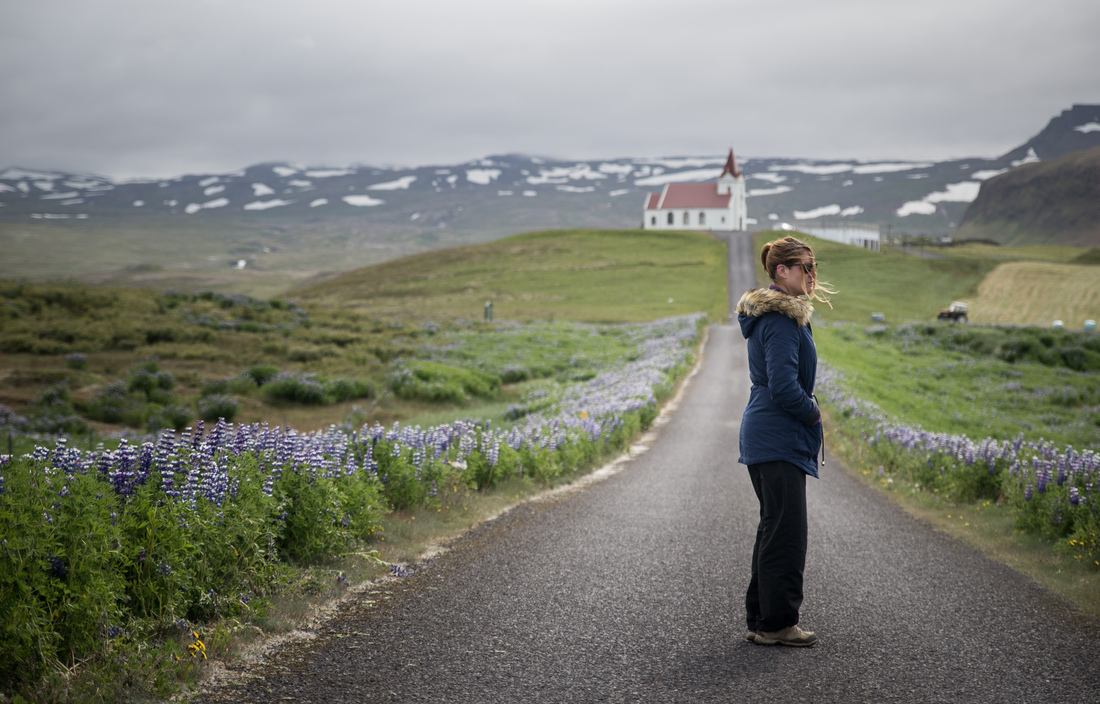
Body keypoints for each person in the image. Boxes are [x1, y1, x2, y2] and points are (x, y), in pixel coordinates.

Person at [735, 235, 834, 648]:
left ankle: (763, 619)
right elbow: (783, 386)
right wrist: (812, 413)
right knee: (787, 533)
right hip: (776, 436)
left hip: (770, 435)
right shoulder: (779, 320)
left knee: (774, 527)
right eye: (805, 267)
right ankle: (778, 624)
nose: (813, 275)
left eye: (814, 267)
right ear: (782, 271)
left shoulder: (782, 317)